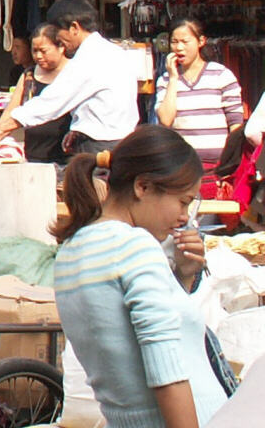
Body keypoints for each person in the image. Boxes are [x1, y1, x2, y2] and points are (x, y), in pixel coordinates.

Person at [53, 124, 225, 428]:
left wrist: (182, 277)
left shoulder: (70, 251)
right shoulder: (134, 245)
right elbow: (166, 371)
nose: (185, 217)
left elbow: (124, 340)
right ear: (142, 187)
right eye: (183, 201)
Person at [0, 0, 139, 155]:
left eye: (59, 33)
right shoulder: (116, 52)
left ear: (74, 28)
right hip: (119, 142)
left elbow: (51, 101)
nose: (59, 41)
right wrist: (77, 130)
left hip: (99, 146)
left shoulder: (89, 58)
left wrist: (1, 128)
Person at [156, 19, 246, 171]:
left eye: (185, 42)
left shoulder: (221, 75)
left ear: (201, 41)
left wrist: (230, 164)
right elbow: (165, 120)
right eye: (174, 42)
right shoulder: (165, 80)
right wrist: (173, 78)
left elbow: (235, 124)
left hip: (218, 166)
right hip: (182, 166)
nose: (179, 48)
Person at [0, 22, 72, 163]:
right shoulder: (29, 75)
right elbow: (11, 111)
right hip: (33, 155)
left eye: (43, 51)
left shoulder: (74, 73)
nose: (38, 56)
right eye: (34, 50)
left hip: (66, 157)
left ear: (61, 47)